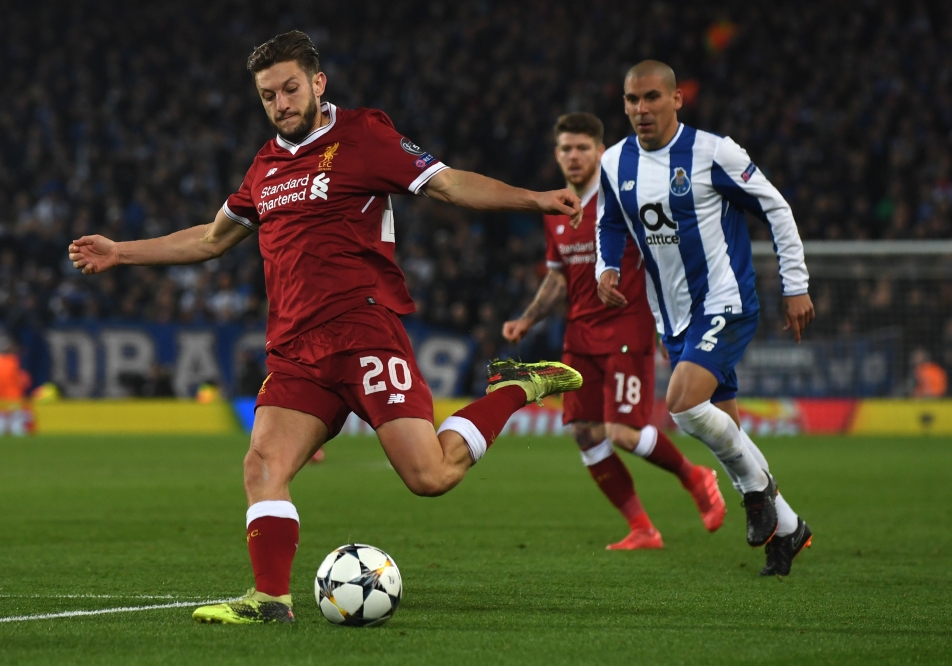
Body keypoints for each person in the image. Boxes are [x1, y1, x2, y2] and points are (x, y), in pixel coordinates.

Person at [68, 31, 583, 624]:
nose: (281, 104)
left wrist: (533, 199)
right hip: (296, 352)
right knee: (262, 465)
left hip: (364, 332)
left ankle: (516, 388)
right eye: (268, 95)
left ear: (318, 83)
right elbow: (210, 240)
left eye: (290, 89)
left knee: (431, 476)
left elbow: (448, 183)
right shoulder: (264, 167)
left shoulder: (364, 136)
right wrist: (121, 252)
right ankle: (270, 600)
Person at [595, 60, 816, 576]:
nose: (641, 108)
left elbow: (776, 207)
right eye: (632, 99)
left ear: (677, 99)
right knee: (725, 431)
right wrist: (607, 267)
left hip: (725, 302)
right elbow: (609, 223)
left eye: (652, 97)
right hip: (673, 317)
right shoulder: (614, 161)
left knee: (681, 404)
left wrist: (796, 285)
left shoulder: (714, 152)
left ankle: (757, 493)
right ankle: (788, 528)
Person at [502, 112, 725, 550]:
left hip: (627, 328)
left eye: (583, 148)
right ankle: (642, 528)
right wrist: (528, 318)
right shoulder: (556, 209)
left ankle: (695, 477)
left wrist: (670, 323)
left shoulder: (624, 200)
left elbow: (663, 261)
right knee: (585, 434)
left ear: (600, 152)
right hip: (579, 337)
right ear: (556, 154)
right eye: (566, 148)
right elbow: (559, 275)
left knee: (622, 432)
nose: (574, 156)